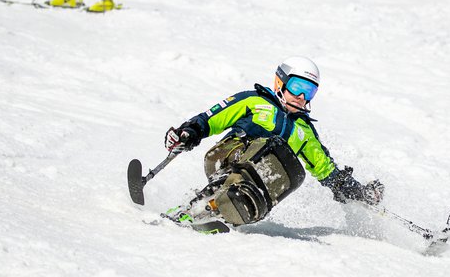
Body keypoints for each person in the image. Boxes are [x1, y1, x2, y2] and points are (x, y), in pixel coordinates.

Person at [162, 56, 385, 231]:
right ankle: (193, 207)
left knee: (294, 171)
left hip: (259, 183)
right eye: (298, 87)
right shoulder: (255, 102)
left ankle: (223, 212)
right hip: (227, 157)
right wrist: (189, 132)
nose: (302, 97)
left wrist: (356, 191)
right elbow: (211, 119)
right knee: (272, 145)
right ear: (281, 82)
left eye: (310, 92)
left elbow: (325, 169)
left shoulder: (303, 131)